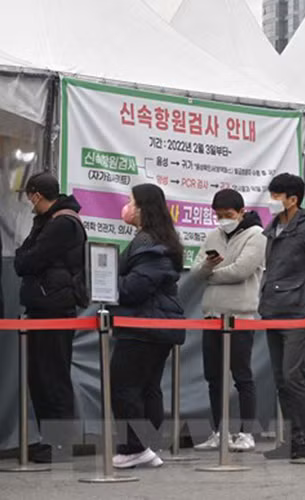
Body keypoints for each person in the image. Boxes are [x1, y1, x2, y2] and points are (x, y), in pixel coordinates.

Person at [111, 184, 185, 469]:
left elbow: (134, 288)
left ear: (144, 208)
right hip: (153, 325)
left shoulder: (150, 244)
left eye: (131, 202)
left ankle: (135, 447)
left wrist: (107, 285)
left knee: (125, 386)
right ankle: (147, 445)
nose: (127, 207)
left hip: (143, 327)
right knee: (148, 387)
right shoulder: (158, 240)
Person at [14, 172, 87, 463]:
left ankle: (59, 444)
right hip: (43, 305)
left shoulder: (63, 224)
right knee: (40, 377)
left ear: (35, 195)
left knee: (53, 375)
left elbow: (28, 260)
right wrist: (26, 255)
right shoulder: (49, 222)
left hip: (54, 307)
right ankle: (49, 439)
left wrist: (26, 255)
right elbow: (25, 257)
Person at [260, 173, 305, 460]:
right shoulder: (273, 228)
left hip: (297, 311)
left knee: (295, 377)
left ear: (293, 199)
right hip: (273, 308)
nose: (272, 201)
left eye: (277, 196)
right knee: (280, 378)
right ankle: (293, 439)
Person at [192, 189, 266, 453]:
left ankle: (247, 432)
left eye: (229, 215)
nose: (223, 220)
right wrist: (207, 268)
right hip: (212, 315)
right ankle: (218, 431)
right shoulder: (213, 236)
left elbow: (242, 270)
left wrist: (210, 273)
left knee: (242, 376)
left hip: (240, 316)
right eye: (219, 215)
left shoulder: (256, 236)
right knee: (214, 377)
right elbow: (196, 268)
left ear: (241, 212)